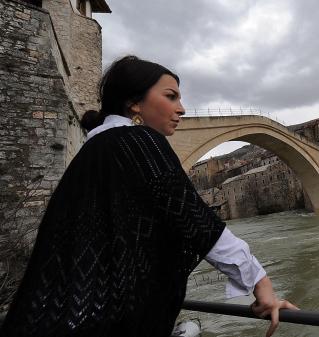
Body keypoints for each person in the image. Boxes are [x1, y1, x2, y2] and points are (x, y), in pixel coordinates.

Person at [1, 55, 298, 337]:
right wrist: (261, 283)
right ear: (134, 103)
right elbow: (194, 219)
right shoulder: (139, 141)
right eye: (171, 97)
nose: (181, 108)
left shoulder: (92, 152)